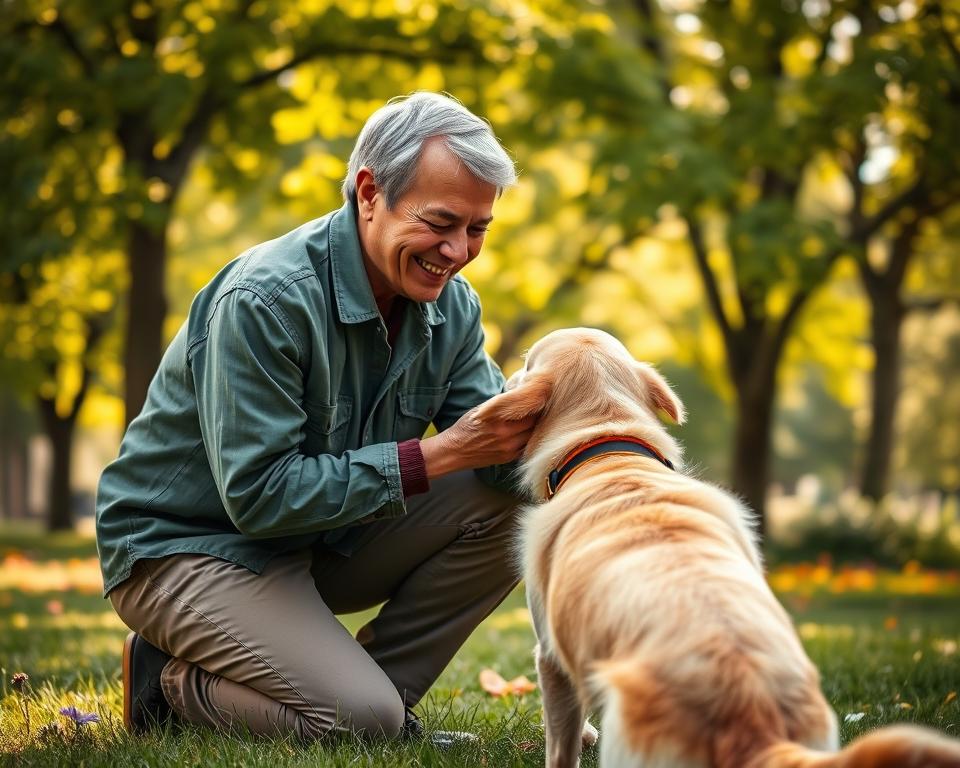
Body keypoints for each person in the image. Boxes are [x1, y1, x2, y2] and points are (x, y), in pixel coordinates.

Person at [95, 92, 536, 744]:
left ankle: (381, 710)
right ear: (368, 193)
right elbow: (260, 497)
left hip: (321, 538)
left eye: (478, 229)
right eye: (441, 222)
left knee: (521, 511)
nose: (458, 250)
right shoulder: (266, 300)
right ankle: (167, 681)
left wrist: (576, 435)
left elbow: (501, 468)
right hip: (187, 549)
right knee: (356, 718)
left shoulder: (454, 309)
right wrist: (439, 455)